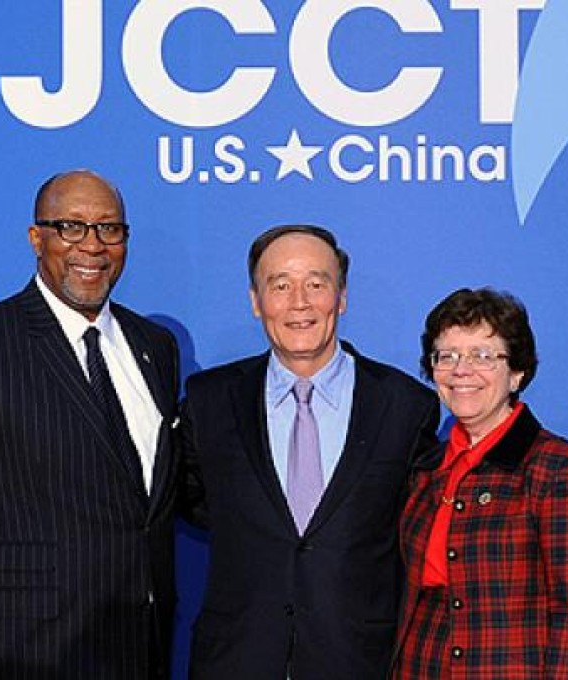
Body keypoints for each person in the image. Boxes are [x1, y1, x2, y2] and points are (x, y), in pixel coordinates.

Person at [0, 170, 179, 679]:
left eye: (109, 229)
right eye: (71, 227)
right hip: (29, 659)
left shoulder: (154, 347)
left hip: (141, 655)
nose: (92, 245)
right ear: (36, 237)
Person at [179, 225, 440, 679]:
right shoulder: (209, 401)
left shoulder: (404, 406)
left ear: (342, 297)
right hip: (236, 661)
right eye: (280, 285)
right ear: (256, 301)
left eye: (316, 284)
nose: (299, 302)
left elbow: (414, 528)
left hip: (359, 663)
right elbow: (194, 503)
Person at [392, 287, 568, 679]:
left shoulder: (561, 470)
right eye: (447, 355)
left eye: (482, 355)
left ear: (516, 372)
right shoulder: (425, 471)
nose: (461, 370)